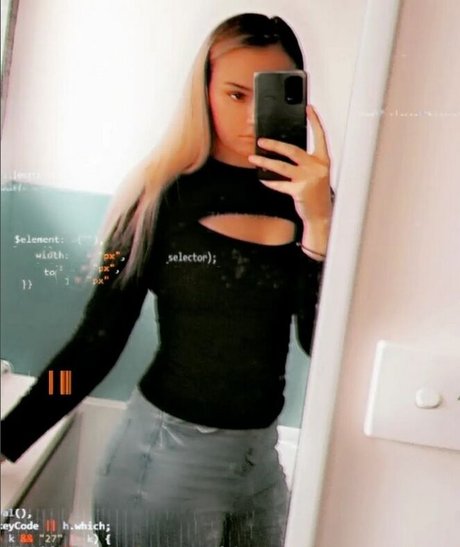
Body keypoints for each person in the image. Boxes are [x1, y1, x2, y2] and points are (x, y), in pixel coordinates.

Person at [0, 12, 333, 547]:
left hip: (260, 464)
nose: (252, 115)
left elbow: (319, 343)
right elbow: (93, 346)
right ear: (203, 92)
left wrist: (319, 223)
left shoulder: (312, 204)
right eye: (234, 94)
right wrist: (7, 438)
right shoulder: (155, 199)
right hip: (165, 464)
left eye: (269, 93)